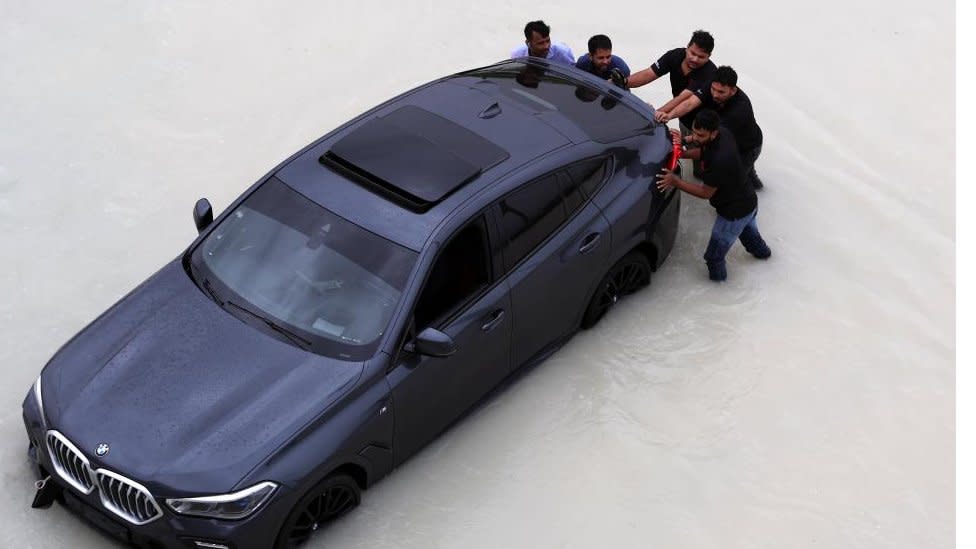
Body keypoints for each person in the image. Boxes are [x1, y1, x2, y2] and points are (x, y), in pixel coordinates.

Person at [656, 109, 770, 281]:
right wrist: (683, 149)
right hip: (749, 201)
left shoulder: (721, 160)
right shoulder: (722, 133)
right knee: (752, 241)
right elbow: (703, 151)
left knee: (713, 258)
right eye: (694, 131)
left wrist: (675, 181)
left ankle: (720, 288)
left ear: (713, 133)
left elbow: (705, 193)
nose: (695, 137)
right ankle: (768, 261)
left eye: (700, 135)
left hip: (733, 214)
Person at [656, 65, 765, 189]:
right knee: (746, 173)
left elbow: (711, 140)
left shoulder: (739, 111)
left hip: (747, 147)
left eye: (721, 92)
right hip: (732, 135)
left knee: (736, 181)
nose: (715, 95)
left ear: (733, 91)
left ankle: (755, 189)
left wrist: (685, 142)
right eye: (713, 89)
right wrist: (669, 115)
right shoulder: (714, 84)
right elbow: (690, 103)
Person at [626, 30, 717, 132]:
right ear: (687, 47)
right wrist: (623, 82)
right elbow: (648, 74)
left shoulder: (710, 73)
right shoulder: (674, 55)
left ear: (709, 57)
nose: (695, 59)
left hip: (703, 130)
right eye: (693, 53)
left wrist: (653, 115)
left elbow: (684, 99)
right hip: (682, 120)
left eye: (701, 57)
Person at [511, 20, 575, 66]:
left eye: (548, 41)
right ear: (528, 43)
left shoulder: (563, 52)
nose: (546, 46)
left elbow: (573, 76)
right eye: (540, 43)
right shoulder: (517, 55)